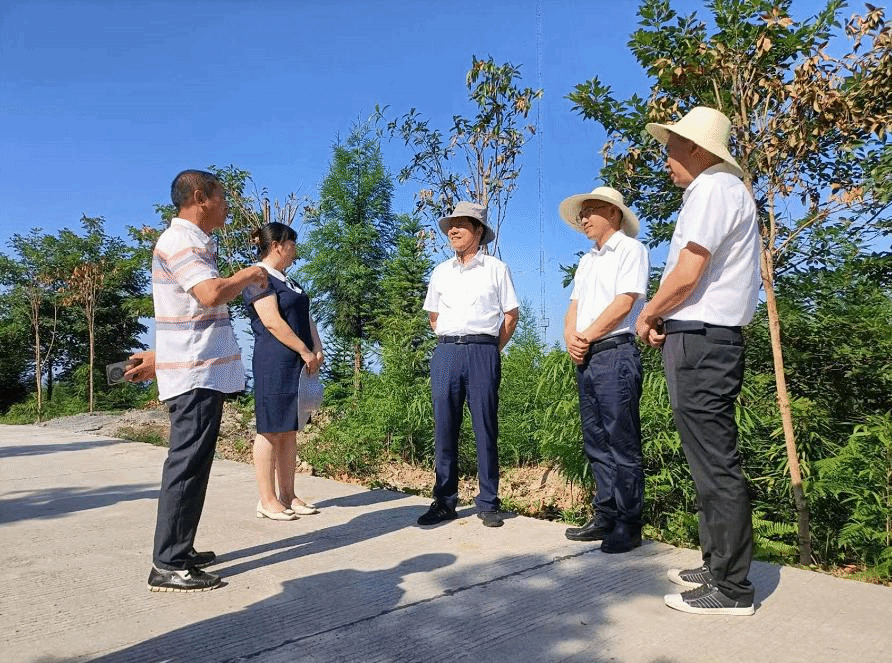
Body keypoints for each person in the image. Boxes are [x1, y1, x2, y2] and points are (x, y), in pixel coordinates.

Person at [635, 107, 761, 615]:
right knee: (706, 459)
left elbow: (688, 272)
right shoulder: (723, 190)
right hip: (701, 336)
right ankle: (717, 564)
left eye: (671, 148)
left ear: (697, 149)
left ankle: (731, 589)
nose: (666, 159)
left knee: (714, 461)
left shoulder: (712, 188)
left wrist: (649, 313)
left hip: (704, 341)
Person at [143, 169, 268, 593]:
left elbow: (185, 312)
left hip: (198, 369)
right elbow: (210, 294)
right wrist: (249, 274)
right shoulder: (180, 241)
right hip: (195, 374)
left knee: (194, 465)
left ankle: (180, 547)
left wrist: (159, 356)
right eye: (222, 198)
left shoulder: (195, 243)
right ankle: (169, 563)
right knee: (186, 466)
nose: (227, 206)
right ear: (200, 198)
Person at [558, 186, 649, 553]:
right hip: (588, 356)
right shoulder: (587, 261)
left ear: (613, 213)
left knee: (621, 441)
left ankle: (629, 523)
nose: (584, 218)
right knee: (596, 439)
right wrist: (571, 337)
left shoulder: (631, 250)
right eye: (582, 213)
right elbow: (574, 306)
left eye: (591, 210)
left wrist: (586, 337)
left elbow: (626, 302)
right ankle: (605, 515)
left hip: (615, 353)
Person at [418, 201, 519, 528]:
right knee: (444, 427)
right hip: (446, 352)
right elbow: (434, 316)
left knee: (485, 427)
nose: (453, 230)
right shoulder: (440, 271)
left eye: (461, 224)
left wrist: (490, 348)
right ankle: (444, 502)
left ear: (478, 231)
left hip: (482, 352)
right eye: (451, 225)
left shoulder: (496, 269)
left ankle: (488, 502)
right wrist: (453, 339)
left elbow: (511, 315)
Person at [242, 222, 324, 521]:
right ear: (277, 246)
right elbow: (272, 322)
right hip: (274, 361)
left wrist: (316, 346)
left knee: (289, 429)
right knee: (270, 430)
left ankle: (288, 495)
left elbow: (305, 316)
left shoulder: (289, 281)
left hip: (298, 361)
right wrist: (303, 350)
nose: (295, 249)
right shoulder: (258, 277)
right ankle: (267, 499)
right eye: (292, 243)